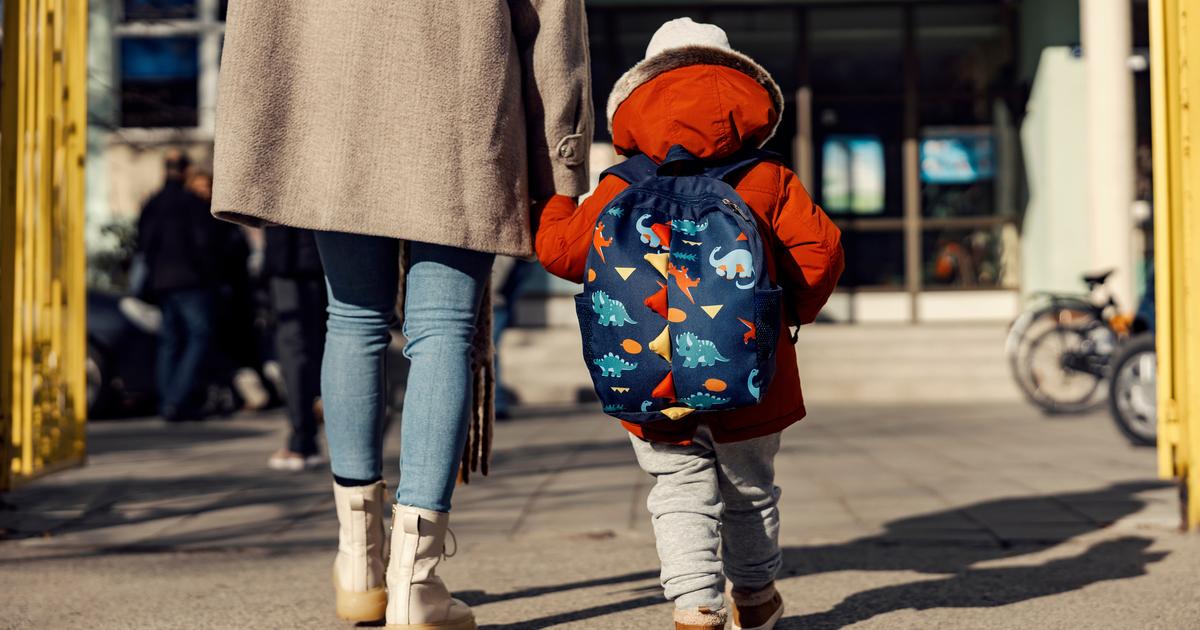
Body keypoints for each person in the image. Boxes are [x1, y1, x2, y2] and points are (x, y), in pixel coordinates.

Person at [210, 3, 592, 628]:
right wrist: (563, 154)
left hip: (332, 106)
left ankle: (360, 565)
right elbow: (554, 26)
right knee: (443, 330)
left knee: (352, 319)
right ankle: (414, 580)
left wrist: (261, 124)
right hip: (460, 101)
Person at [536, 19, 844, 630]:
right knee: (750, 488)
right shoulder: (769, 178)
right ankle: (754, 599)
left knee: (677, 487)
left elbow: (563, 253)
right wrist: (782, 318)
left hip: (646, 369)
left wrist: (554, 202)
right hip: (753, 365)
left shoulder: (620, 185)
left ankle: (696, 604)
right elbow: (821, 254)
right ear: (744, 95)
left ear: (636, 102)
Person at [136, 150, 219, 422]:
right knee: (200, 336)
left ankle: (168, 400)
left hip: (162, 281)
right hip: (190, 280)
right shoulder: (190, 204)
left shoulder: (154, 203)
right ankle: (176, 399)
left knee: (170, 341)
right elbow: (205, 243)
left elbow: (144, 244)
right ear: (184, 171)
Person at [262, 226, 328, 471]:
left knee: (294, 347)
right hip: (328, 252)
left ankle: (302, 440)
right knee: (328, 339)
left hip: (292, 259)